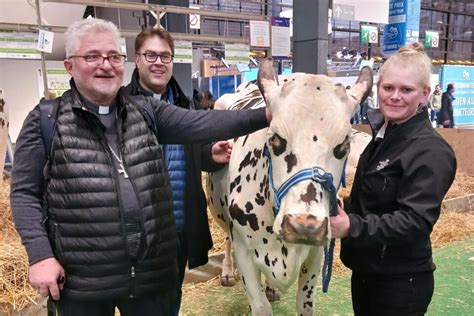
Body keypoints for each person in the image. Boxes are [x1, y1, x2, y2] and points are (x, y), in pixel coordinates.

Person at [11, 18, 270, 316]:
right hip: (83, 281)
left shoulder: (145, 110)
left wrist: (267, 114)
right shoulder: (46, 120)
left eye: (113, 56)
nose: (105, 65)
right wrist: (40, 255)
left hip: (149, 278)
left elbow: (205, 122)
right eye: (92, 56)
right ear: (70, 66)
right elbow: (24, 194)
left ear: (123, 63)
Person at [330, 43, 457, 316]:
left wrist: (351, 226)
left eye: (406, 90)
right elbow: (375, 198)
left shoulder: (430, 151)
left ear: (424, 94)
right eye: (388, 88)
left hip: (400, 282)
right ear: (378, 89)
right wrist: (341, 206)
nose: (395, 97)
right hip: (367, 271)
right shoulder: (385, 135)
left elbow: (415, 222)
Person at [123, 27, 229, 315]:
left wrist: (209, 155)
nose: (159, 62)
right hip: (138, 235)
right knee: (140, 305)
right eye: (151, 55)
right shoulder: (121, 105)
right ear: (137, 59)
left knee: (172, 298)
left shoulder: (186, 105)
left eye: (165, 56)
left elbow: (188, 157)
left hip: (180, 228)